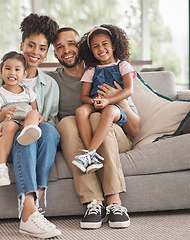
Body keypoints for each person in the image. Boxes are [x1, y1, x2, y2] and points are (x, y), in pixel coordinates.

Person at [0, 14, 61, 239]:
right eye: (30, 45)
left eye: (42, 48)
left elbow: (50, 120)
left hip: (30, 134)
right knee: (21, 135)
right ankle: (29, 214)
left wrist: (37, 122)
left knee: (46, 131)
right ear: (21, 45)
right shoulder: (2, 75)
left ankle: (35, 197)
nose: (35, 52)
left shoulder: (50, 84)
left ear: (47, 51)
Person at [50, 27, 140, 229]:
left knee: (97, 117)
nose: (66, 50)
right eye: (59, 47)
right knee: (65, 123)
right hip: (79, 136)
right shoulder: (52, 80)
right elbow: (20, 76)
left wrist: (118, 100)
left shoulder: (118, 71)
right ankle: (94, 203)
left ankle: (114, 201)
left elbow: (134, 130)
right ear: (55, 53)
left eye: (71, 43)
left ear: (81, 47)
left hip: (116, 135)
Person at [72, 24, 136, 174]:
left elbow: (128, 90)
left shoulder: (123, 66)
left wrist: (108, 100)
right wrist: (94, 101)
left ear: (113, 46)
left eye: (104, 44)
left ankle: (90, 152)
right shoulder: (91, 70)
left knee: (109, 112)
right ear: (91, 51)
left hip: (115, 106)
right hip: (96, 103)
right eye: (95, 46)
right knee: (80, 111)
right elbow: (84, 97)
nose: (100, 48)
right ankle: (90, 155)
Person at [0, 51, 42, 187]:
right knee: (10, 126)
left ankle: (30, 131)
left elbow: (34, 110)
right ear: (0, 72)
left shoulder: (29, 93)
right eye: (8, 69)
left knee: (34, 113)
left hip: (25, 123)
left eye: (17, 69)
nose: (12, 73)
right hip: (9, 122)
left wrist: (37, 119)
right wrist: (4, 114)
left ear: (24, 74)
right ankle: (1, 168)